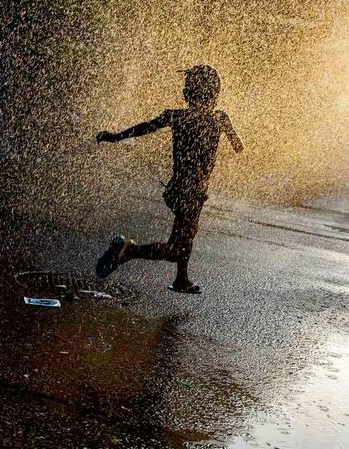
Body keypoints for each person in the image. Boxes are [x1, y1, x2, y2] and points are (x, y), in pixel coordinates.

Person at [94, 65, 244, 293]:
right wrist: (227, 132)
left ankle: (181, 279)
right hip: (192, 192)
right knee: (177, 248)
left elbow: (144, 128)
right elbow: (238, 146)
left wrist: (115, 137)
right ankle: (129, 250)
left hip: (178, 189)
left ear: (186, 94)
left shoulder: (176, 116)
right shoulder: (219, 118)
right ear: (216, 95)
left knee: (186, 236)